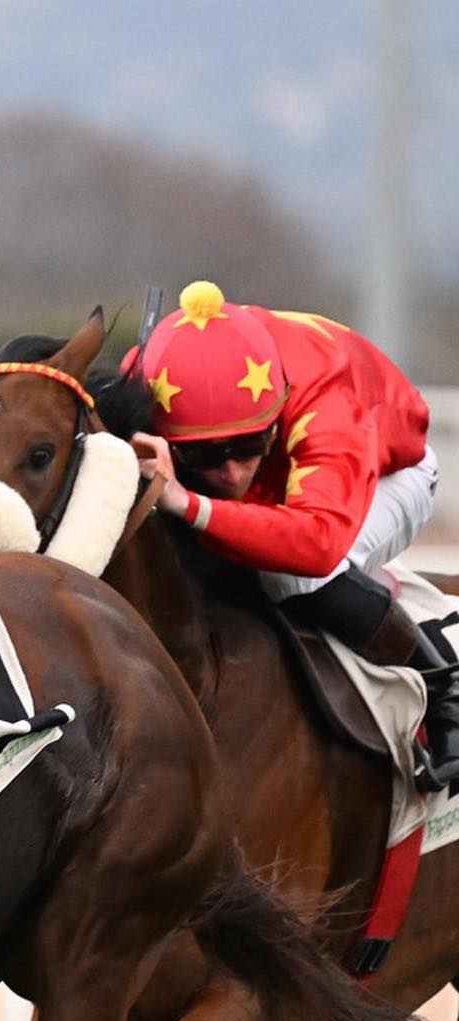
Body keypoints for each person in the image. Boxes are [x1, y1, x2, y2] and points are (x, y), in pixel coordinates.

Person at [130, 279, 459, 789]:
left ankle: (445, 689)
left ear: (277, 408)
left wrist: (191, 500)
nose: (234, 472)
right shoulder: (151, 373)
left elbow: (315, 543)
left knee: (290, 578)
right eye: (208, 454)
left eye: (248, 444)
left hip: (389, 473)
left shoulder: (323, 397)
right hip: (283, 476)